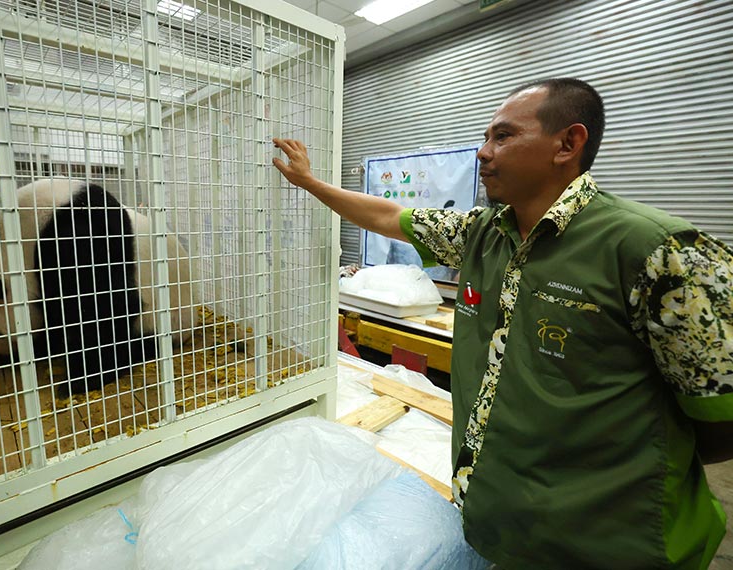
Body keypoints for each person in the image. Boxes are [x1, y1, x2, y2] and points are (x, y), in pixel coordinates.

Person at [272, 78, 733, 569]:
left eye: (503, 136)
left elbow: (720, 419)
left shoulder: (660, 252)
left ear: (568, 144)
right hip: (505, 526)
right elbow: (389, 215)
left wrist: (607, 470)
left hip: (611, 542)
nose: (483, 152)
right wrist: (308, 182)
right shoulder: (481, 234)